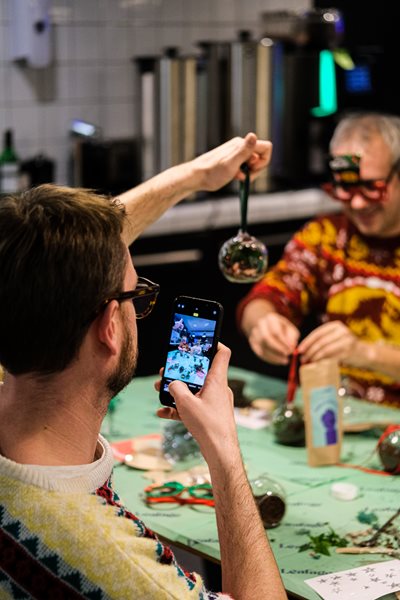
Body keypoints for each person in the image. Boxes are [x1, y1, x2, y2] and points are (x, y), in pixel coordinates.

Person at [0, 134, 287, 599]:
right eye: (138, 295)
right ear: (110, 326)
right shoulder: (124, 574)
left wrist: (193, 176)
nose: (139, 306)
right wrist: (223, 451)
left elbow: (59, 258)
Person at [238, 112, 400, 408]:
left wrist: (364, 353)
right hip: (333, 416)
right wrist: (264, 323)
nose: (358, 203)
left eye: (372, 188)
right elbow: (267, 297)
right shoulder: (325, 236)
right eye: (346, 189)